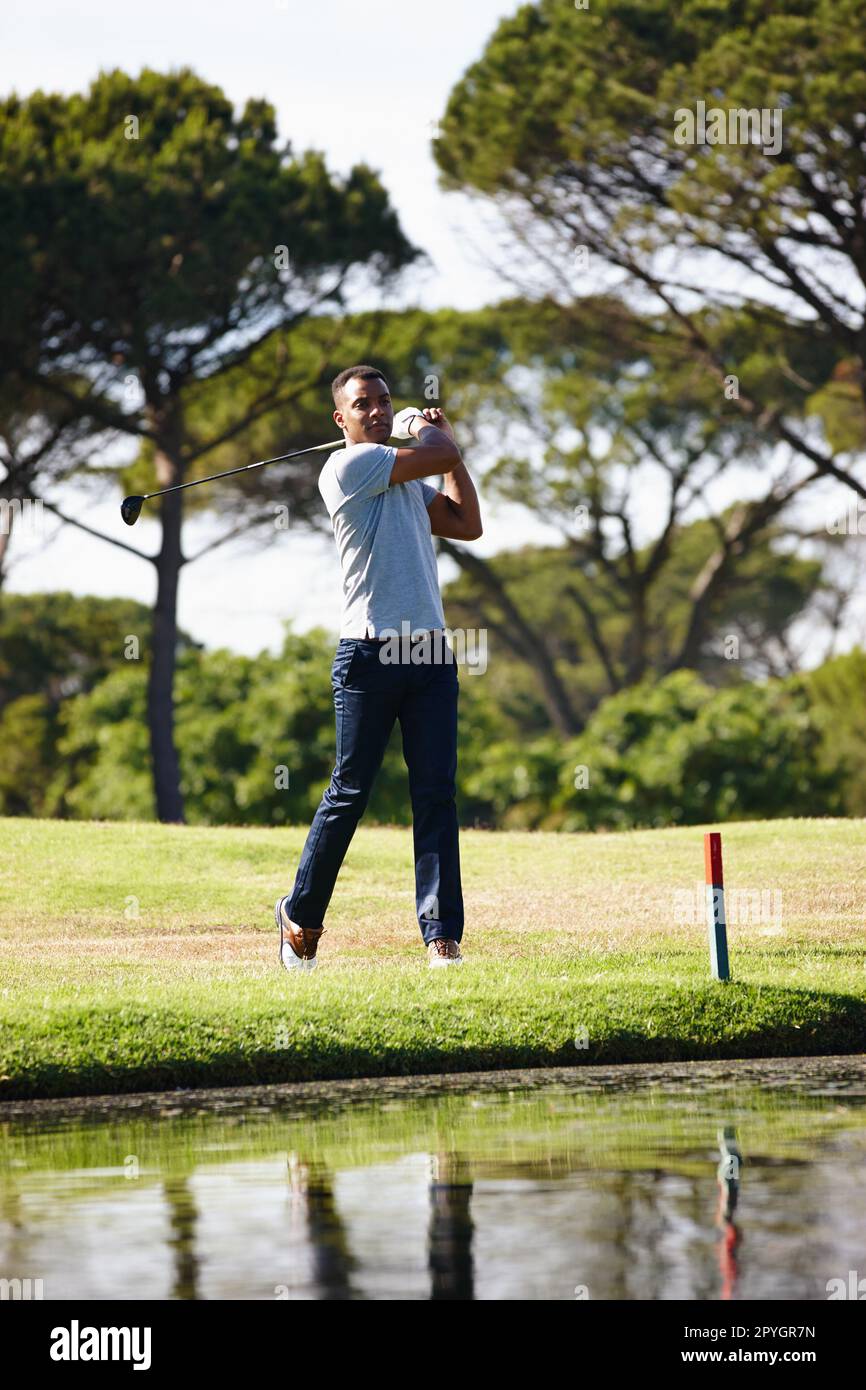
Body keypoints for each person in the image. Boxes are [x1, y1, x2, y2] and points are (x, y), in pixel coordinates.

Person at [275, 365, 483, 972]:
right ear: (340, 419)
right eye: (364, 404)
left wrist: (449, 457)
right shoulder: (349, 468)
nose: (380, 411)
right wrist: (429, 429)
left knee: (436, 792)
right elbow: (436, 449)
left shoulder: (405, 480)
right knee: (350, 792)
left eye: (387, 403)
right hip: (368, 653)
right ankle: (300, 918)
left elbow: (467, 523)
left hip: (427, 653)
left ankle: (442, 938)